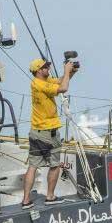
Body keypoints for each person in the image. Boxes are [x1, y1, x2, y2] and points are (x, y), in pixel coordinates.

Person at [21, 58, 77, 209]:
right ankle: (50, 197)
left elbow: (60, 81)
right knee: (54, 165)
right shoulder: (41, 84)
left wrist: (71, 72)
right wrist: (66, 71)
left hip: (36, 132)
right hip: (48, 133)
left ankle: (26, 201)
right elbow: (63, 88)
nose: (48, 68)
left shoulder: (39, 82)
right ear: (39, 70)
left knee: (33, 166)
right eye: (46, 67)